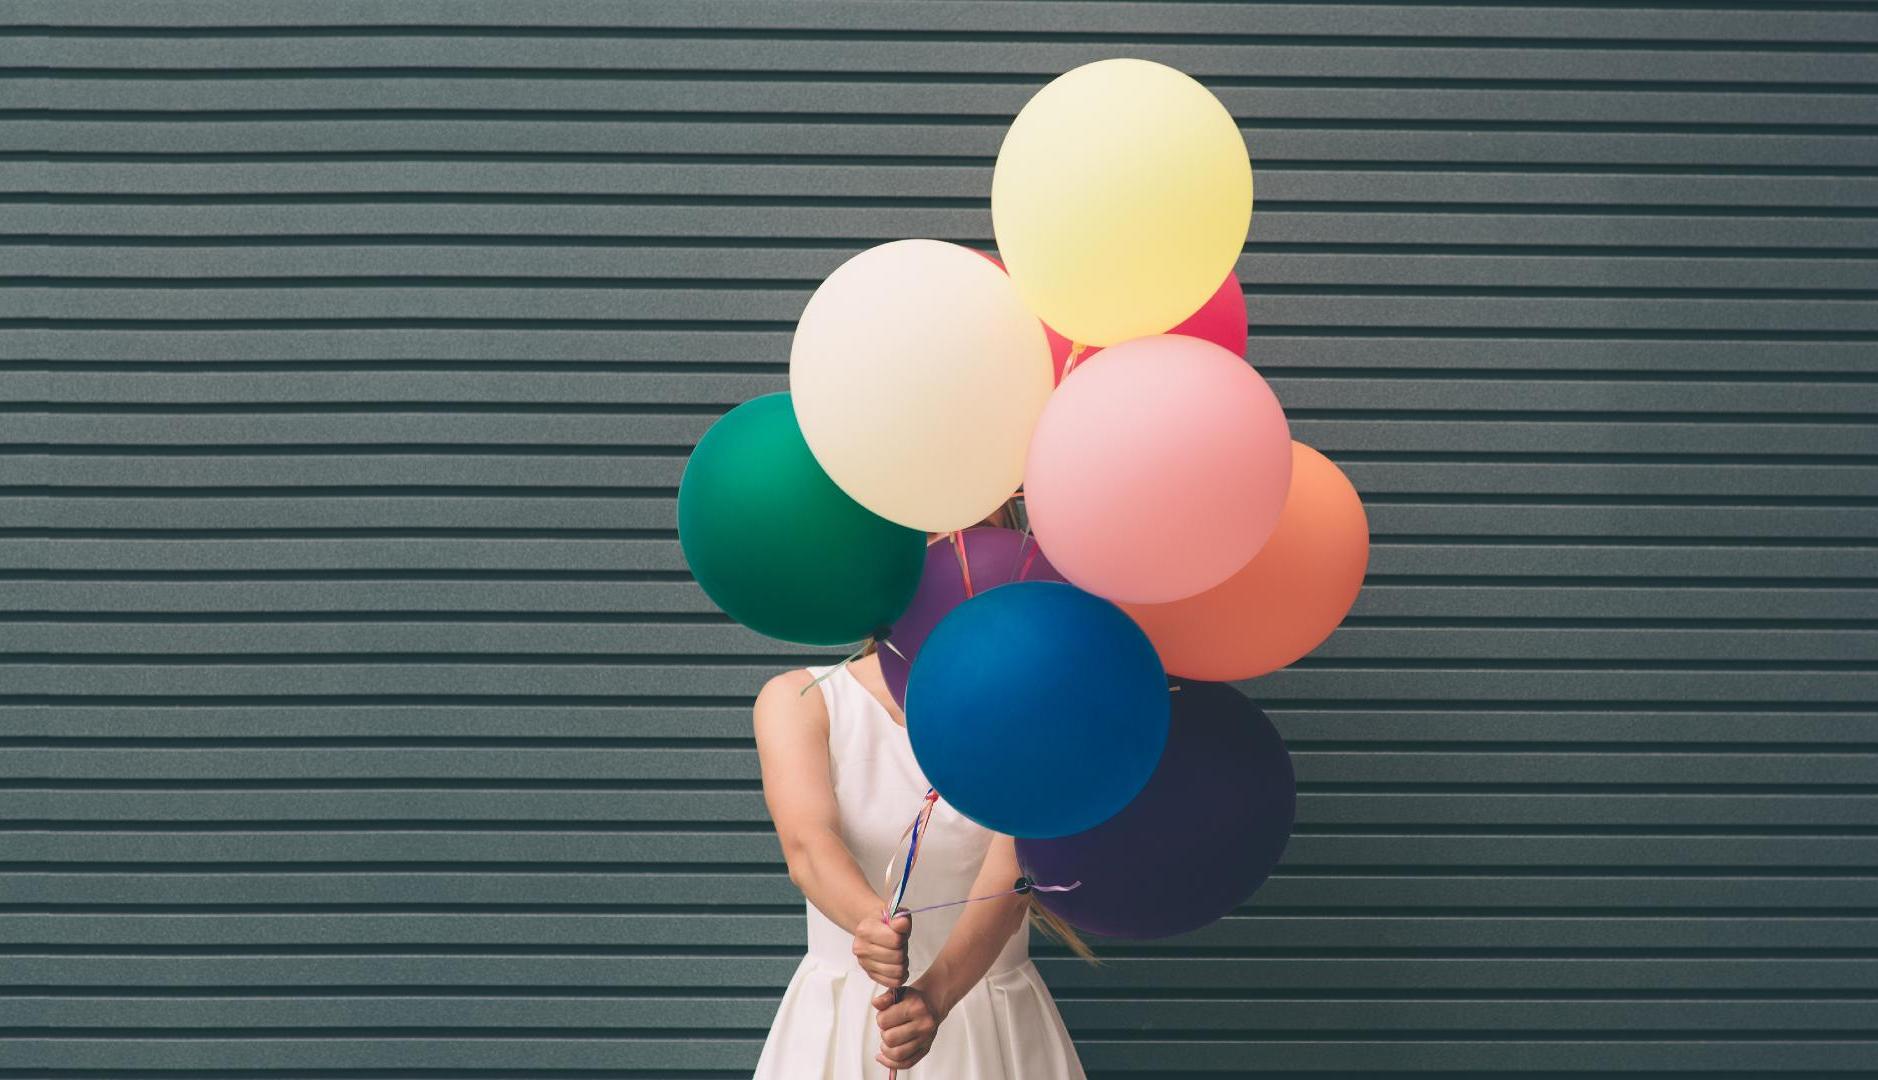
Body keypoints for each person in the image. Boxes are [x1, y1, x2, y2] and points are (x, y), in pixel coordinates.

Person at [751, 526, 1090, 1078]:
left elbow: (1013, 874)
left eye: (964, 528)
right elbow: (808, 844)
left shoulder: (1040, 707)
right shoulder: (801, 700)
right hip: (841, 1024)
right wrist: (872, 926)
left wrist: (935, 995)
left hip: (991, 1019)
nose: (945, 551)